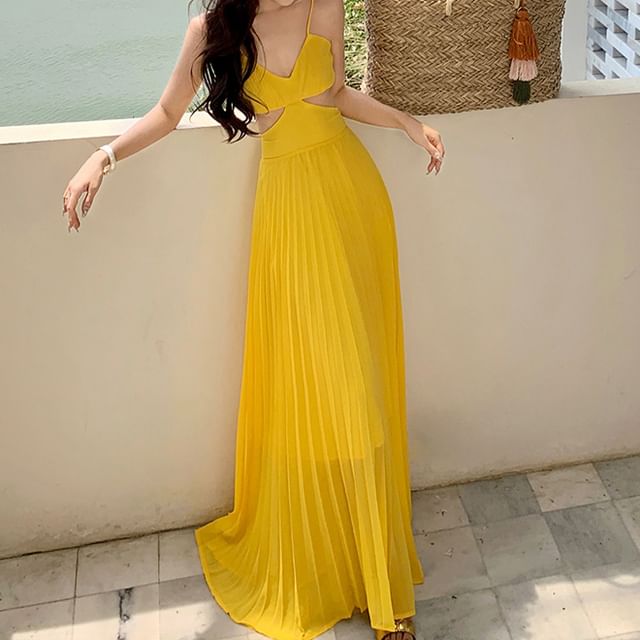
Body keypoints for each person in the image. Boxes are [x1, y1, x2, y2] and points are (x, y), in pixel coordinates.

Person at [61, 0, 445, 638]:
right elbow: (167, 113)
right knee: (324, 395)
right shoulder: (214, 31)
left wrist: (406, 122)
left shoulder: (324, 4)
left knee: (366, 396)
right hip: (290, 215)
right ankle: (350, 569)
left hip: (352, 201)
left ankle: (386, 594)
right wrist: (103, 156)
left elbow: (337, 94)